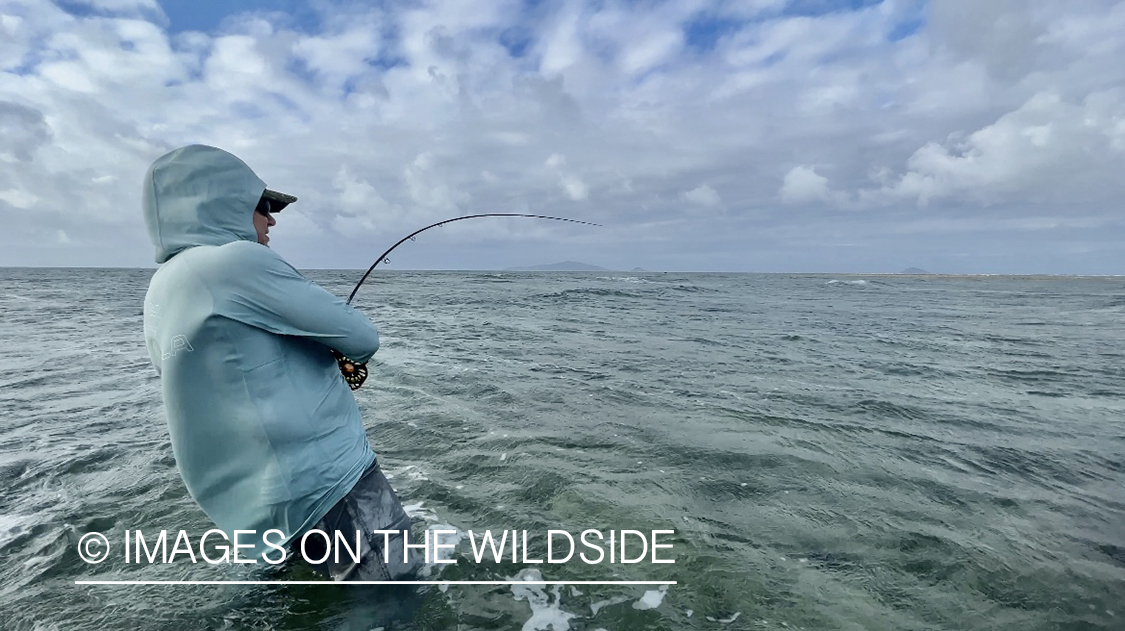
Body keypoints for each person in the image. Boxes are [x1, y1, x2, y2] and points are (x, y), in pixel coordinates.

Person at [141, 144, 420, 580]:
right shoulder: (237, 261)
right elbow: (362, 338)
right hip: (329, 483)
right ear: (223, 204)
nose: (271, 220)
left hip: (256, 512)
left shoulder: (161, 290)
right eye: (263, 206)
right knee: (396, 599)